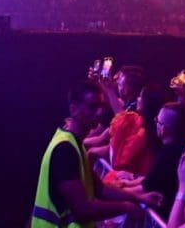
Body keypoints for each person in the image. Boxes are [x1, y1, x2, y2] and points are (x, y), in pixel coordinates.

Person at [31, 80, 160, 227]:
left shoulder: (75, 144)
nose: (99, 112)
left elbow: (101, 189)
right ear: (73, 109)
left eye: (101, 106)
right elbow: (83, 210)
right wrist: (125, 207)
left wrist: (139, 198)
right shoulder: (65, 149)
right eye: (92, 107)